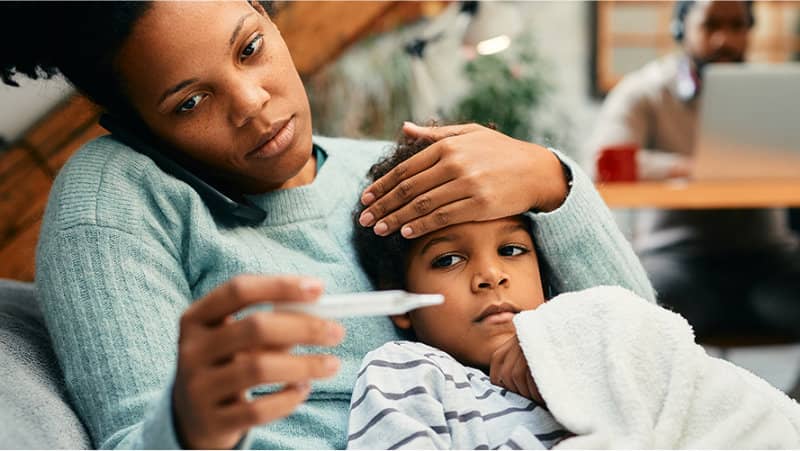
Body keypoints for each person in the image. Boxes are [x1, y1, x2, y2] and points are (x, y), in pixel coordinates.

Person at [1, 1, 653, 449]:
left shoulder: (391, 173)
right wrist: (187, 422)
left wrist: (552, 180)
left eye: (250, 48)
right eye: (191, 102)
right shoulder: (115, 195)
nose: (252, 106)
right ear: (135, 126)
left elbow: (645, 355)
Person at [586, 1, 800, 344]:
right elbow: (604, 161)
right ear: (681, 28)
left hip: (768, 258)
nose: (723, 39)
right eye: (711, 25)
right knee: (643, 318)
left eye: (737, 26)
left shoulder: (779, 91)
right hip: (676, 260)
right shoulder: (645, 91)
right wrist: (689, 169)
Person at [348, 134, 571, 449]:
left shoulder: (578, 349)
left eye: (511, 250)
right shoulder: (407, 372)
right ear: (399, 299)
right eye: (448, 260)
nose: (491, 276)